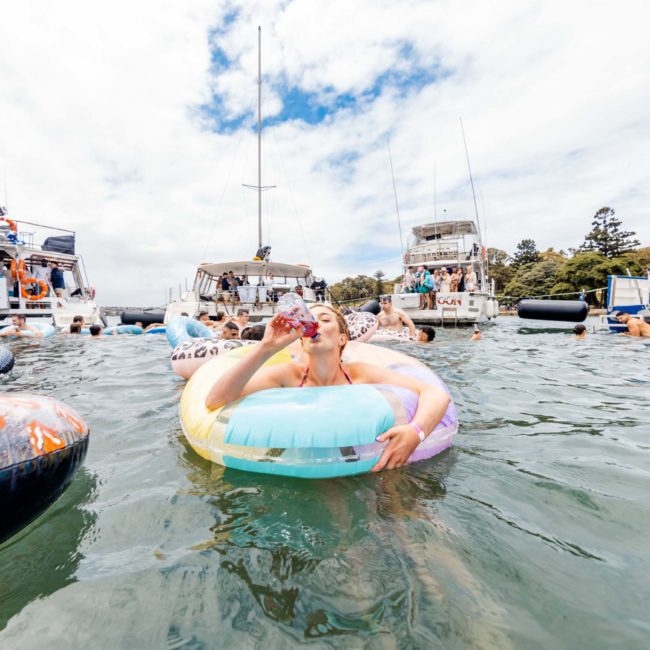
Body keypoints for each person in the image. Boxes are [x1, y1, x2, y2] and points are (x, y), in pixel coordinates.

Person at [204, 304, 450, 471]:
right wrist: (267, 347)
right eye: (308, 320)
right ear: (301, 338)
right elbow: (214, 400)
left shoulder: (360, 373)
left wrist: (415, 432)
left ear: (342, 338)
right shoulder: (288, 375)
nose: (314, 324)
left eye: (324, 319)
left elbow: (434, 393)